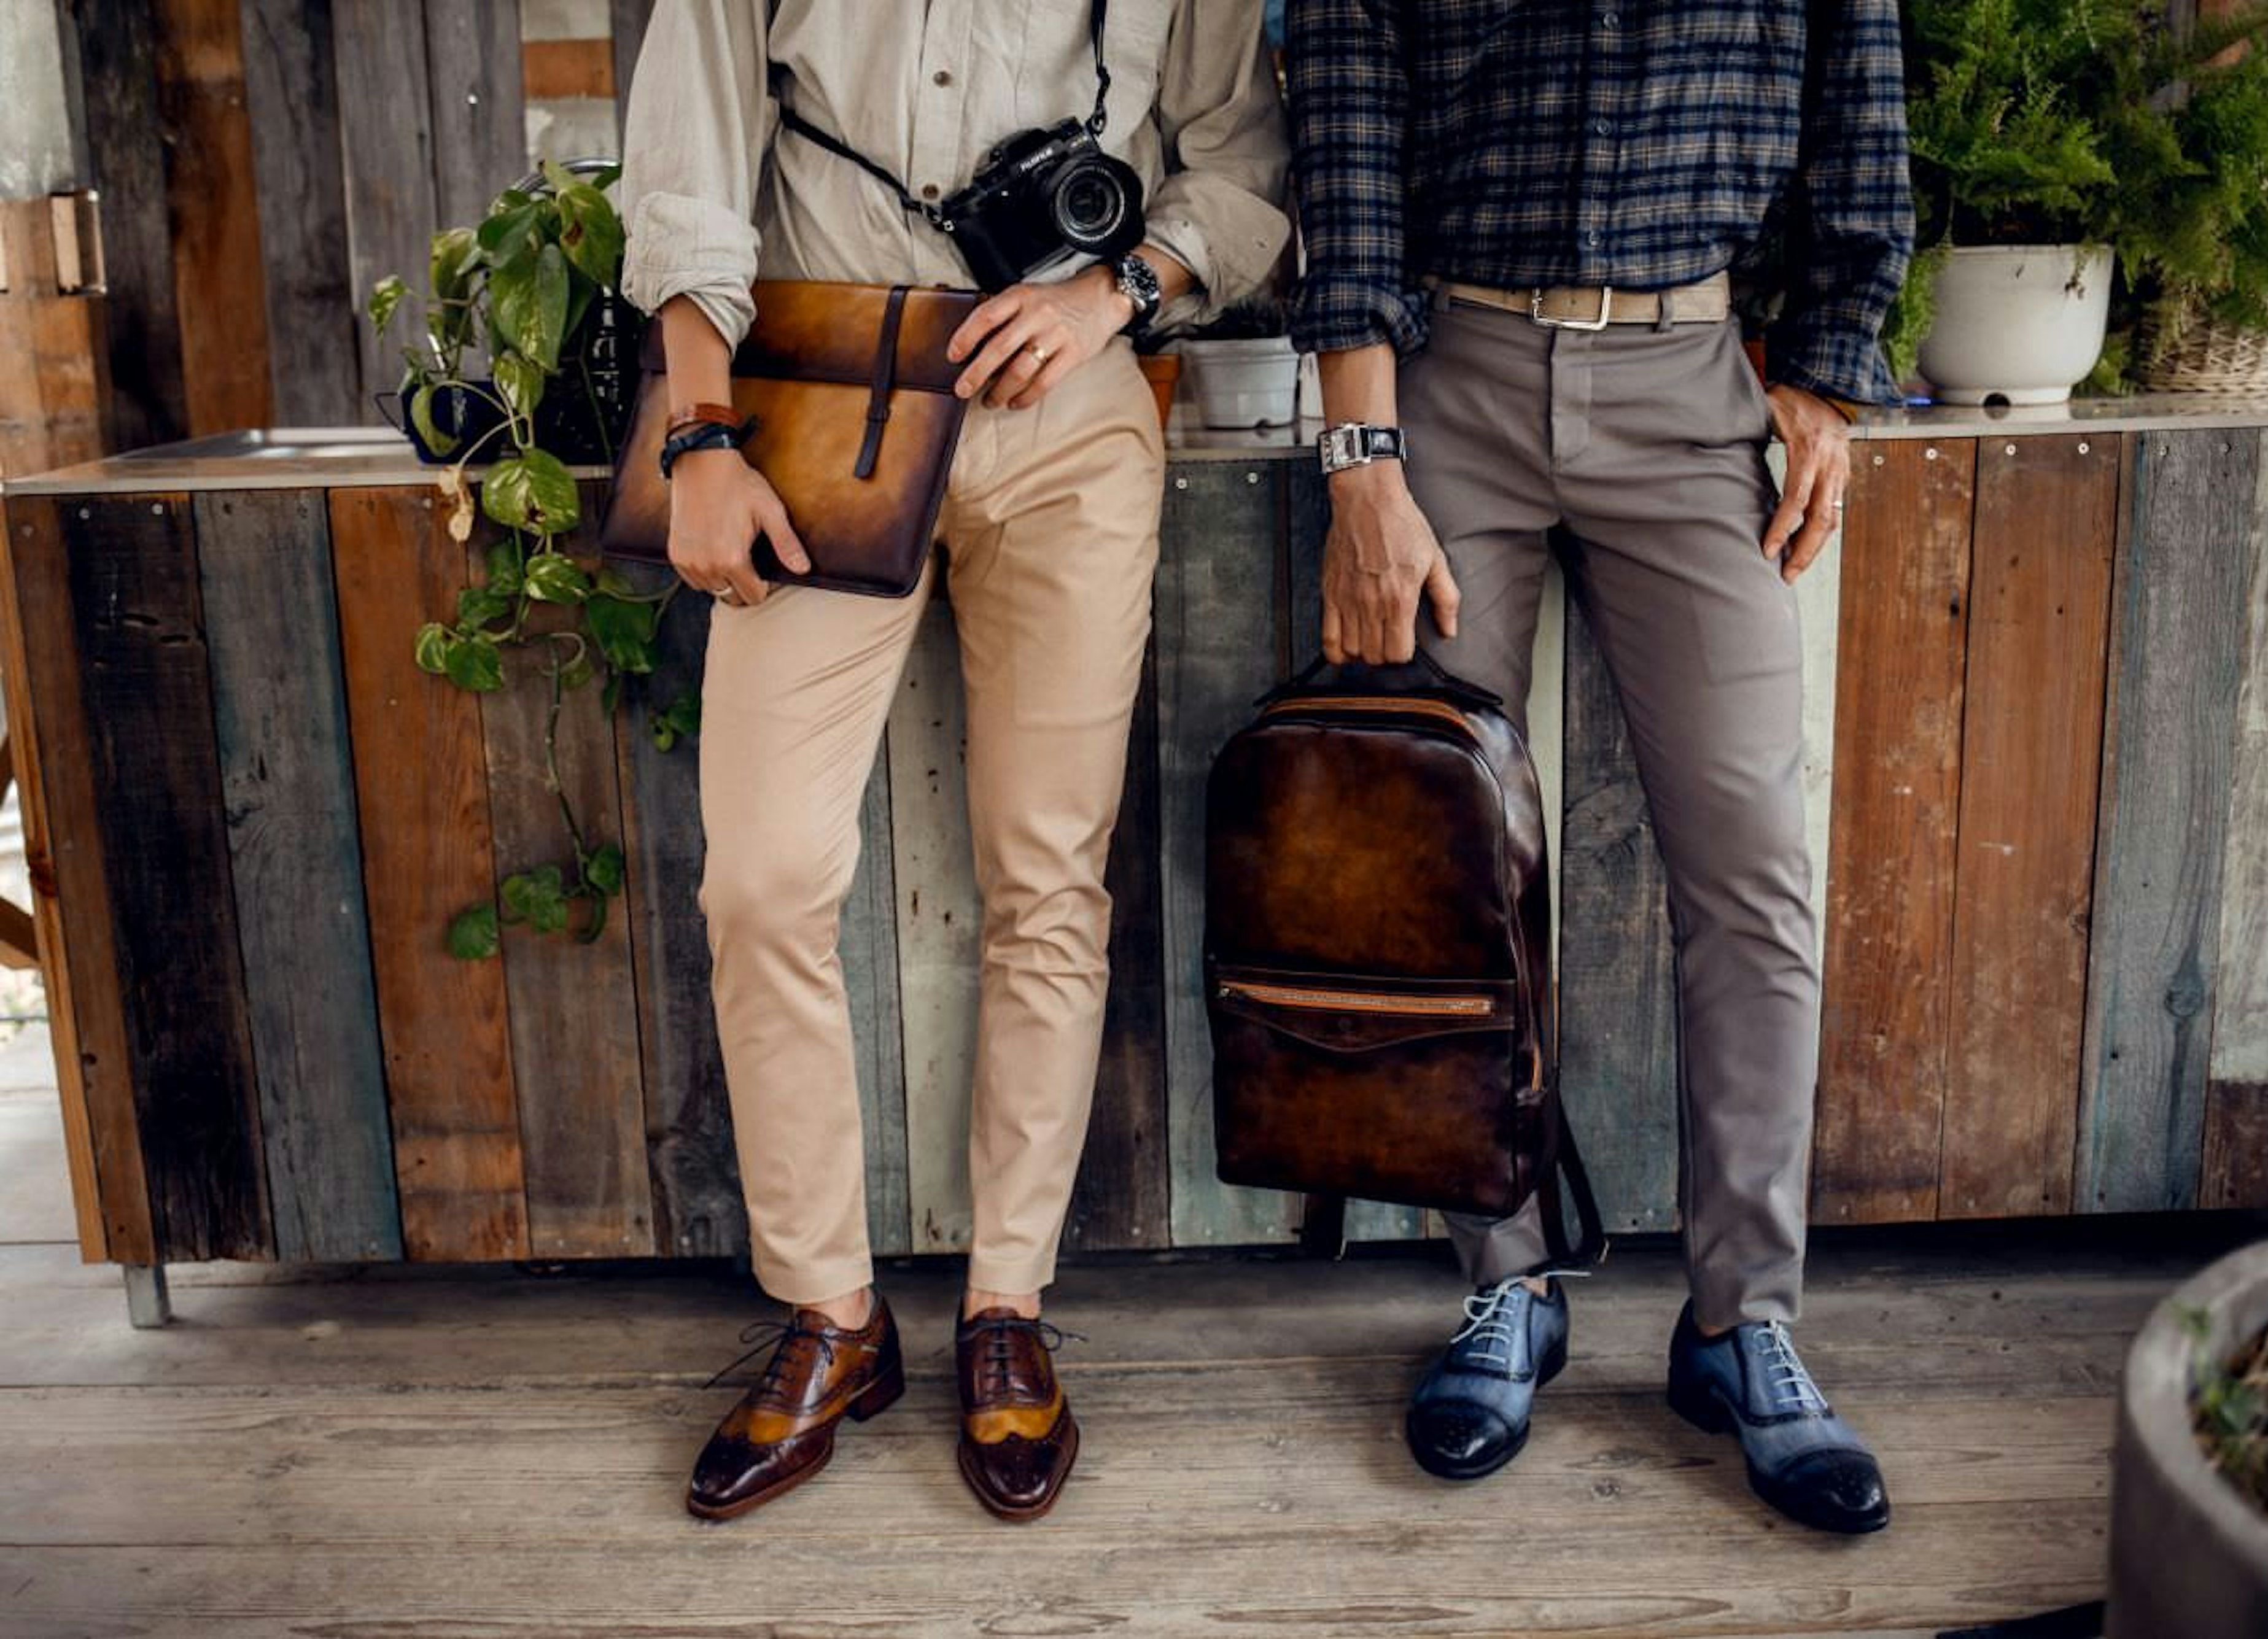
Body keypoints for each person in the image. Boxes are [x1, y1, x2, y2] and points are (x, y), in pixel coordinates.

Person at [613, 0, 1288, 1524]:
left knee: (1047, 873)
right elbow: (690, 166)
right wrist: (700, 438)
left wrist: (1112, 294)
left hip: (1070, 409)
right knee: (766, 877)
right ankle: (835, 1321)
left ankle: (1007, 1305)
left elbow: (1241, 169)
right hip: (814, 390)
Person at [1285, 0, 1913, 1533]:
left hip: (1694, 385)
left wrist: (1826, 372)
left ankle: (1744, 1323)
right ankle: (1504, 1289)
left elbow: (1862, 107)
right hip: (1450, 382)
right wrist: (1360, 459)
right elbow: (1349, 127)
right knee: (1440, 862)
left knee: (1755, 864)